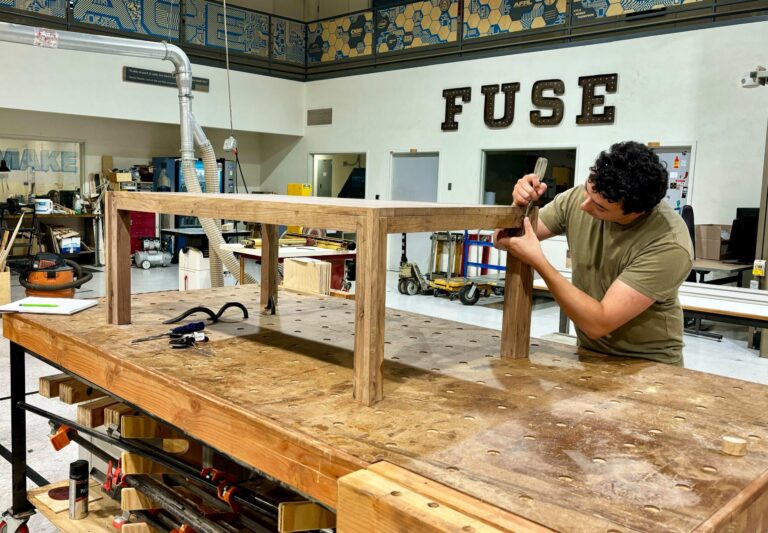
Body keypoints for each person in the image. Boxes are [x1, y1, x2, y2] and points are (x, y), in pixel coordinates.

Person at [494, 141, 693, 365]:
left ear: (637, 212)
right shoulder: (580, 198)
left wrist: (539, 262)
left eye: (600, 207)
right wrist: (518, 204)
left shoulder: (669, 243)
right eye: (587, 191)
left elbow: (598, 323)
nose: (584, 206)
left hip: (648, 364)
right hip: (589, 354)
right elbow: (503, 239)